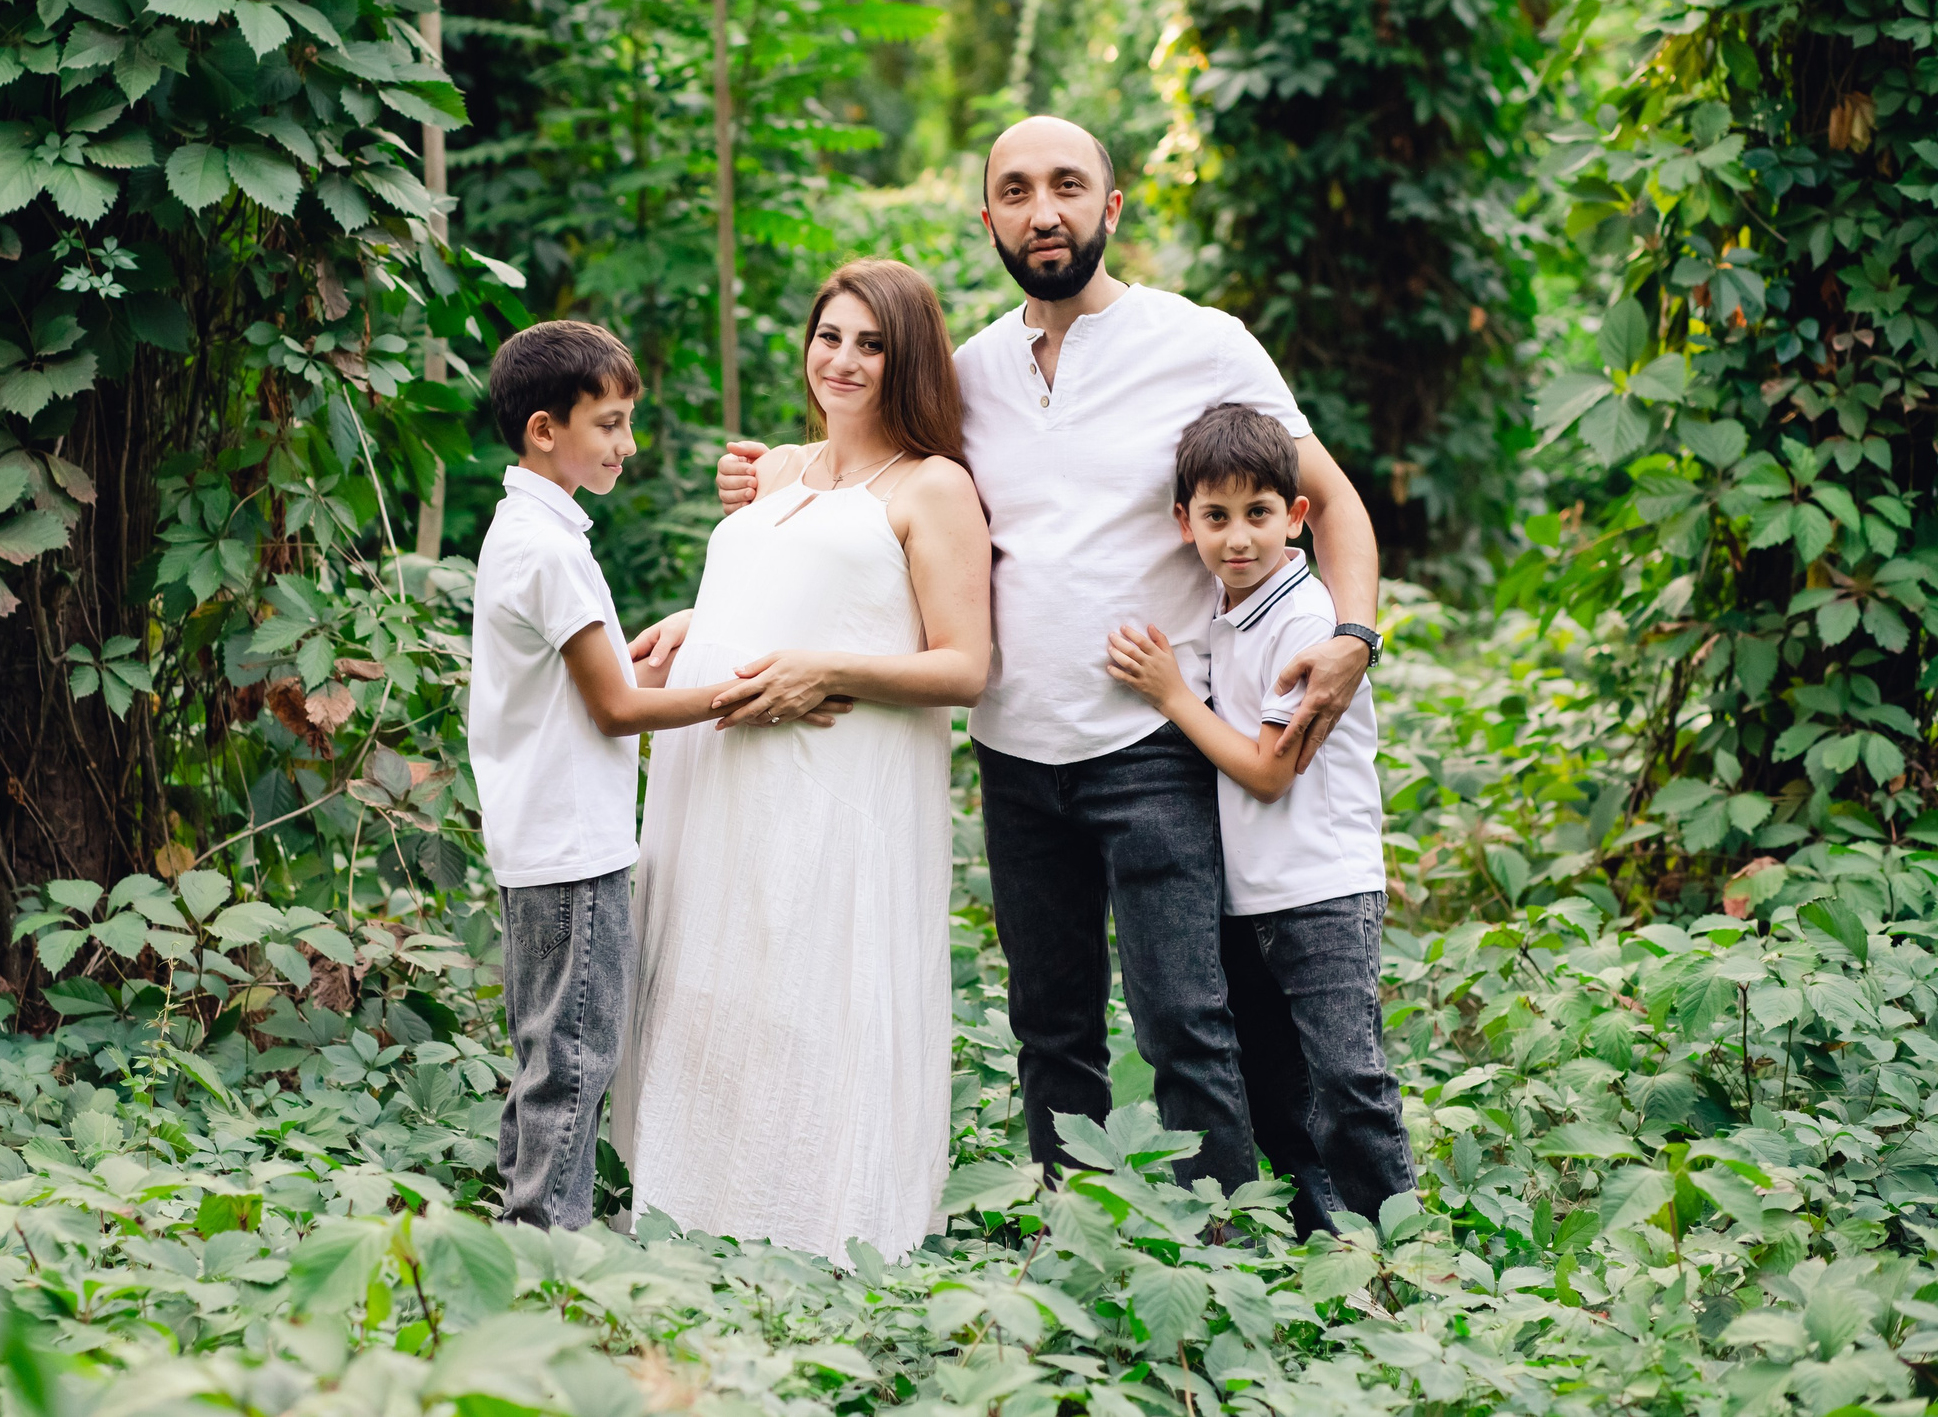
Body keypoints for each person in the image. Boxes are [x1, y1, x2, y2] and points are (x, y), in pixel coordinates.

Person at [702, 117, 1381, 1191]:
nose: (1043, 211)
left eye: (1067, 185)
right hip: (1015, 755)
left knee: (1183, 1021)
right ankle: (1073, 1230)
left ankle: (1222, 1242)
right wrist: (765, 487)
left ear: (1111, 206)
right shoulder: (970, 373)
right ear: (989, 219)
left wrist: (1352, 636)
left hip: (1155, 744)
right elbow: (873, 475)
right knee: (1049, 1025)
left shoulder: (1201, 343)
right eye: (1016, 191)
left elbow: (1329, 500)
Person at [613, 260, 992, 1264]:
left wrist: (828, 669)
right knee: (718, 981)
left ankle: (819, 1228)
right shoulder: (777, 469)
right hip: (719, 777)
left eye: (872, 344)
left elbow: (964, 665)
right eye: (831, 336)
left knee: (811, 988)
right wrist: (694, 623)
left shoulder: (932, 485)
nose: (844, 360)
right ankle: (690, 1208)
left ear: (910, 360)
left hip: (834, 780)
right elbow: (788, 587)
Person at [471, 320, 826, 1229]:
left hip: (538, 836)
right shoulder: (550, 550)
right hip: (571, 845)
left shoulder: (525, 529)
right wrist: (746, 695)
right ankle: (545, 1244)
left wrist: (661, 667)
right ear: (545, 429)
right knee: (575, 1055)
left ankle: (520, 1223)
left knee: (546, 1049)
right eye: (610, 424)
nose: (627, 445)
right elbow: (615, 709)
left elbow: (590, 687)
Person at [1105, 403, 1412, 1238]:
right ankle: (1326, 1238)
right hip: (1257, 893)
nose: (1237, 537)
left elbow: (1271, 773)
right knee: (1284, 1085)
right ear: (1185, 523)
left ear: (1296, 516)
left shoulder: (1304, 618)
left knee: (1349, 1078)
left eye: (1258, 513)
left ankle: (1405, 1253)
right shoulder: (1228, 608)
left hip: (1322, 886)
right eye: (1216, 517)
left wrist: (1172, 695)